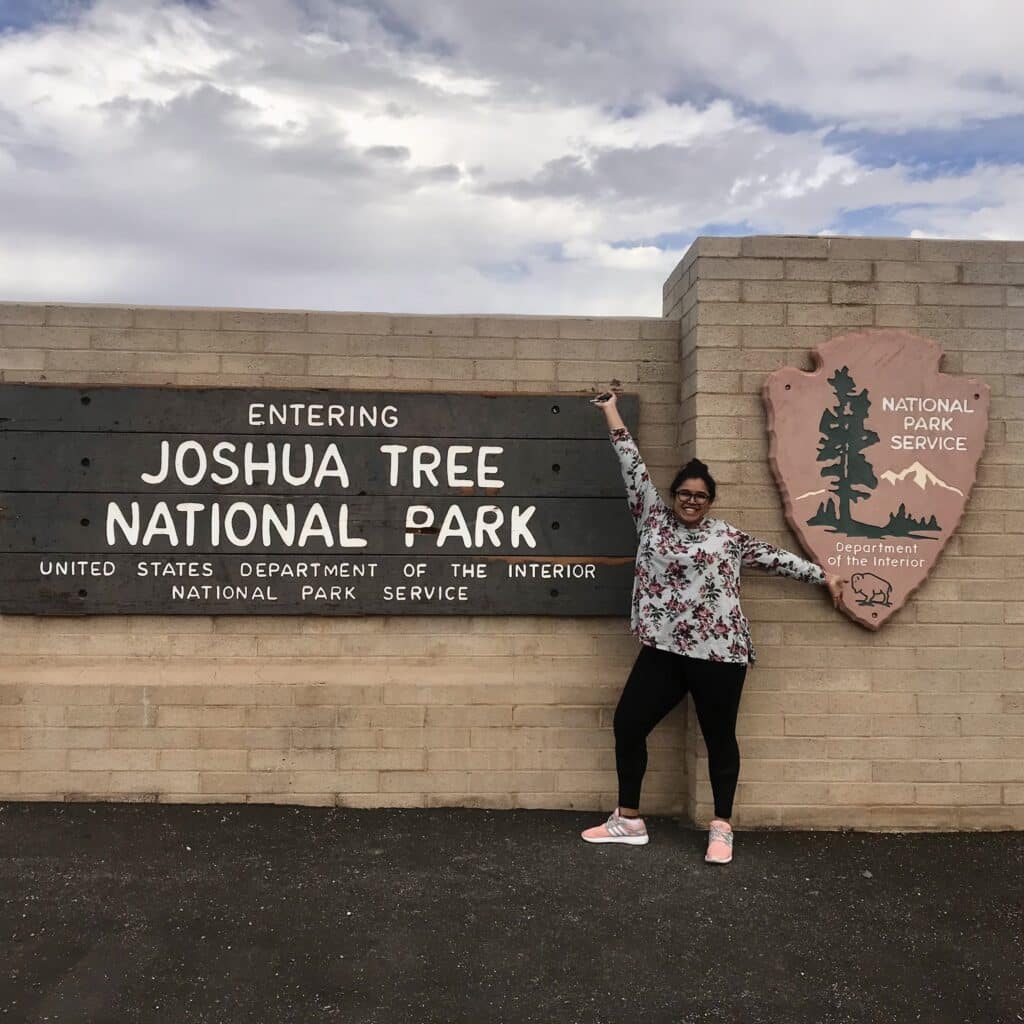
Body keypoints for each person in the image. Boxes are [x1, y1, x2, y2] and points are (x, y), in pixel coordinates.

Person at [581, 388, 844, 863]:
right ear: (672, 495)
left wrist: (826, 578)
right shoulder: (651, 519)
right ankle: (628, 820)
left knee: (719, 736)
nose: (691, 501)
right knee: (628, 723)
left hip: (721, 653)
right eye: (685, 493)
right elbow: (631, 462)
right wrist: (610, 410)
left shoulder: (728, 536)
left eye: (701, 496)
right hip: (663, 650)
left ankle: (721, 827)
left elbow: (777, 558)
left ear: (710, 501)